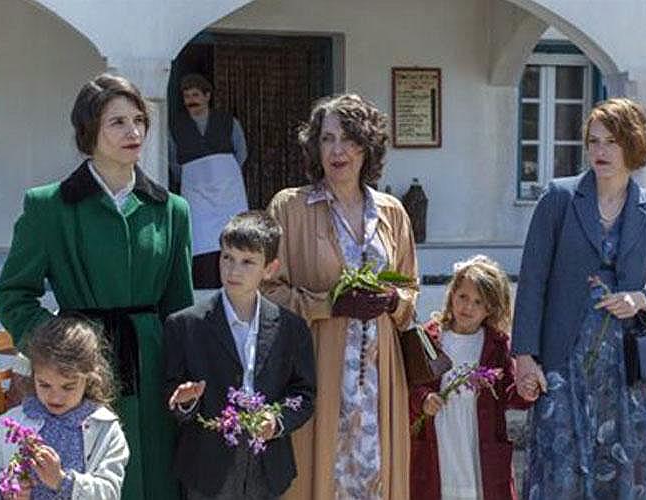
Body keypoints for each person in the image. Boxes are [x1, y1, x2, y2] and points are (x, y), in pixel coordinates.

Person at [0, 73, 194, 500]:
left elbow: (179, 307)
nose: (133, 132)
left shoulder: (171, 210)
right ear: (89, 131)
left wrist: (186, 373)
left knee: (155, 479)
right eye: (117, 122)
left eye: (139, 120)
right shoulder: (49, 206)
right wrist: (56, 349)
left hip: (152, 368)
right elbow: (12, 294)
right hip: (78, 372)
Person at [512, 98, 646, 499]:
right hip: (562, 362)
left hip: (624, 371)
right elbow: (532, 280)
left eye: (611, 142)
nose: (600, 151)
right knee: (560, 474)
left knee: (620, 475)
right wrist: (524, 356)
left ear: (633, 145)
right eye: (594, 141)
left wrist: (639, 299)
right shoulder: (559, 198)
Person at [263, 94, 419, 499]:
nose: (337, 150)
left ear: (367, 147)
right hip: (318, 367)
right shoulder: (290, 207)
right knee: (318, 478)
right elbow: (267, 292)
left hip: (379, 377)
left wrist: (393, 301)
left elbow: (411, 291)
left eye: (349, 139)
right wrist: (327, 305)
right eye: (327, 138)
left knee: (377, 478)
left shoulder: (392, 212)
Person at [163, 210, 316, 499]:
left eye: (248, 262)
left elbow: (304, 395)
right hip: (207, 467)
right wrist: (185, 401)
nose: (234, 270)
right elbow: (172, 390)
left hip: (267, 467)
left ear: (269, 269)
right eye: (227, 258)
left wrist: (276, 421)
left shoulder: (292, 329)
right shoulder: (185, 325)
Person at [409, 255, 530, 500]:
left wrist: (526, 389)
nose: (468, 307)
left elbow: (510, 394)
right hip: (439, 445)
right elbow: (410, 386)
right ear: (452, 294)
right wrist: (424, 400)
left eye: (478, 302)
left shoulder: (496, 345)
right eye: (463, 297)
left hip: (477, 451)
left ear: (490, 309)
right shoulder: (429, 338)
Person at [0, 316, 129, 500]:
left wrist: (62, 482)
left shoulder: (105, 430)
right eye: (45, 385)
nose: (55, 397)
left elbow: (110, 493)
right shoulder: (11, 423)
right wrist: (4, 491)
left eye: (68, 387)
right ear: (33, 376)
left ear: (89, 379)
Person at [170, 73, 249, 289]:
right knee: (200, 242)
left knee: (233, 238)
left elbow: (241, 152)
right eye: (187, 96)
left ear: (207, 96)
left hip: (228, 192)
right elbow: (173, 160)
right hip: (196, 194)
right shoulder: (176, 127)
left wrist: (225, 175)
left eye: (195, 95)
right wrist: (191, 178)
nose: (191, 100)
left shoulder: (228, 122)